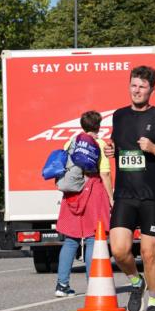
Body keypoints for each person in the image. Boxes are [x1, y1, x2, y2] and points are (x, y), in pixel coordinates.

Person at [103, 66, 155, 311]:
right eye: (133, 85)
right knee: (119, 250)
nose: (137, 90)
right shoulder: (119, 116)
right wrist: (112, 150)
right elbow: (121, 146)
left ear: (151, 90)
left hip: (152, 196)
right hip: (125, 193)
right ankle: (137, 281)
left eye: (142, 87)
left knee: (149, 253)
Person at [54, 111, 113, 297]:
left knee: (70, 240)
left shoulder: (70, 142)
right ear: (99, 125)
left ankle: (62, 285)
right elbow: (104, 173)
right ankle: (93, 284)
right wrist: (111, 198)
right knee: (91, 240)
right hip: (93, 192)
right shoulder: (100, 144)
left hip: (72, 194)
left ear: (82, 125)